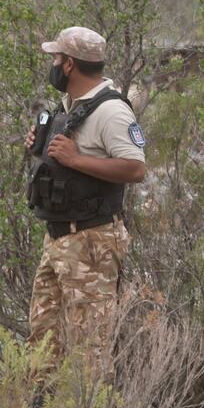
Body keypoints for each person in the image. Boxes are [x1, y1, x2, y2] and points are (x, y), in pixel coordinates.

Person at [24, 26, 146, 382]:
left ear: (69, 65)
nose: (52, 64)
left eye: (56, 58)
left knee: (90, 345)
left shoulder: (111, 112)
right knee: (43, 339)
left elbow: (136, 168)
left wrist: (76, 160)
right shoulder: (69, 108)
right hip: (58, 239)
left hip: (91, 241)